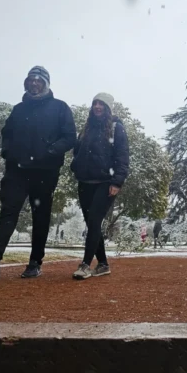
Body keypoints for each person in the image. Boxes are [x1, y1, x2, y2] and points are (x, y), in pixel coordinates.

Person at [0, 66, 76, 279]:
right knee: (8, 212)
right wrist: (8, 152)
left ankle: (35, 262)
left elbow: (69, 137)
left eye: (38, 80)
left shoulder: (60, 108)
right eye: (31, 80)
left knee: (40, 217)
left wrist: (50, 151)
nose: (34, 83)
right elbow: (6, 133)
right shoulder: (18, 109)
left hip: (45, 171)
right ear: (26, 84)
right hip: (17, 170)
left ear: (46, 83)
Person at [66, 93, 129, 280]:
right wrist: (75, 165)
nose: (97, 106)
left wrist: (117, 181)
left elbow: (122, 157)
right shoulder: (86, 128)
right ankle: (103, 264)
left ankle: (85, 265)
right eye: (95, 103)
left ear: (108, 108)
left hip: (105, 183)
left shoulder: (117, 129)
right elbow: (77, 151)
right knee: (92, 224)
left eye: (102, 104)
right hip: (85, 182)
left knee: (94, 221)